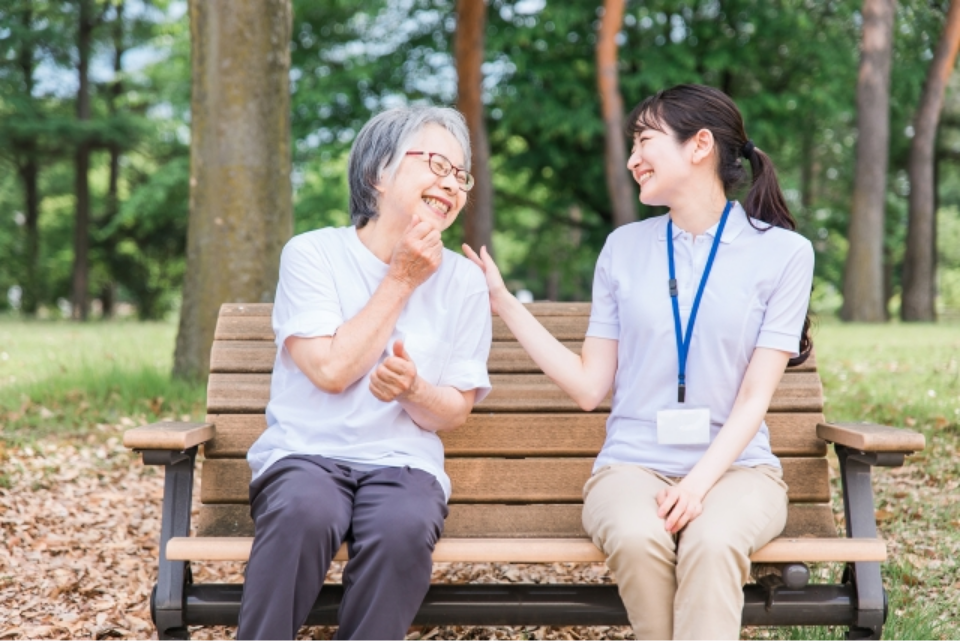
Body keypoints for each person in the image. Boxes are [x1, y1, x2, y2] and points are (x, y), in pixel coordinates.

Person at [464, 84, 814, 641]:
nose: (631, 159)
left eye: (644, 140)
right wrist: (504, 303)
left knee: (712, 539)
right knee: (635, 534)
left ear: (699, 145)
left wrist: (697, 485)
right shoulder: (623, 248)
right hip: (630, 467)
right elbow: (587, 386)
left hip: (739, 470)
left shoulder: (784, 253)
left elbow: (754, 399)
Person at [238, 106, 492, 641]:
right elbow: (330, 370)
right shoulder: (313, 254)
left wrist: (414, 388)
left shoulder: (465, 282)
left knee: (404, 526)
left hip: (403, 465)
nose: (450, 184)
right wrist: (401, 279)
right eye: (436, 165)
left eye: (460, 174)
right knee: (304, 510)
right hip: (306, 453)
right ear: (378, 172)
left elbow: (455, 411)